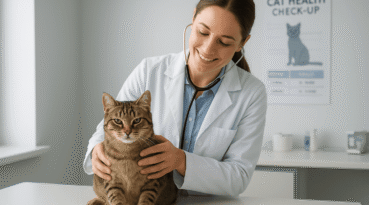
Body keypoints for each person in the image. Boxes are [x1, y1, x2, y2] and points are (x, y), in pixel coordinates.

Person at [83, 0, 267, 197]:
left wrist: (181, 161)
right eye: (203, 32)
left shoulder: (252, 93)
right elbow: (107, 128)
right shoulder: (149, 72)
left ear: (242, 43)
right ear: (193, 17)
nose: (208, 49)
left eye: (224, 42)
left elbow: (238, 176)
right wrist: (97, 151)